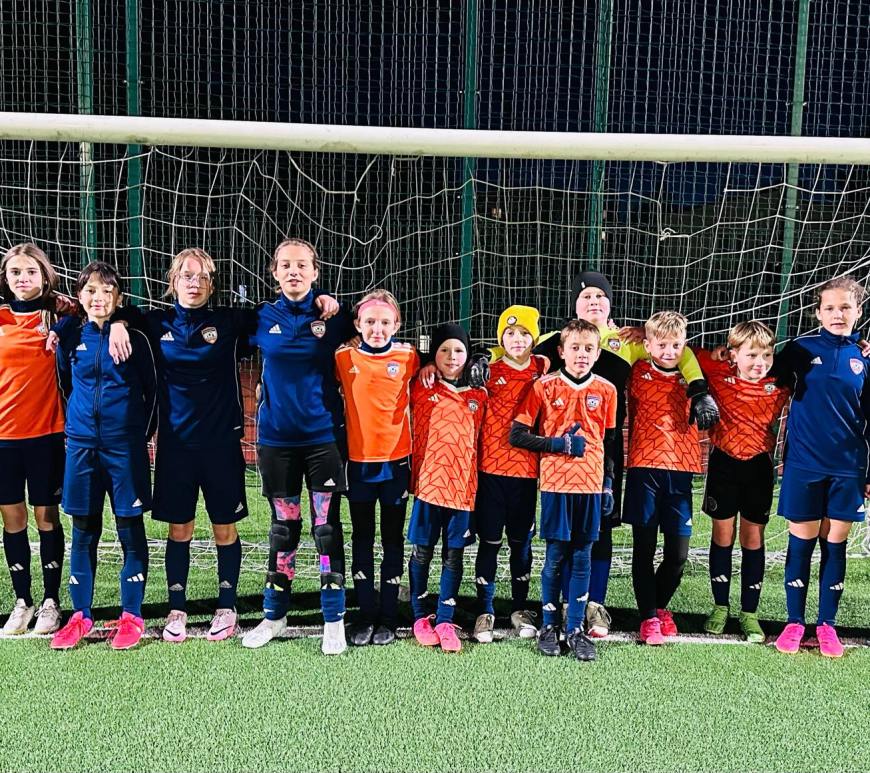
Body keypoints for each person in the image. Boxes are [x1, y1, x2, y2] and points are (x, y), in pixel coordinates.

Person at [534, 270, 717, 638]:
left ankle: (595, 606)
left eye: (600, 296)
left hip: (607, 450)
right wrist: (482, 355)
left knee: (600, 528)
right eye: (586, 297)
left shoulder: (628, 342)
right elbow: (516, 350)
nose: (594, 302)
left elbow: (677, 352)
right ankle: (564, 604)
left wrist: (699, 388)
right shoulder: (557, 339)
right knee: (563, 534)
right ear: (574, 304)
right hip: (560, 454)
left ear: (610, 303)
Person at [111, 249, 258, 643]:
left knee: (224, 527)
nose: (195, 283)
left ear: (212, 284)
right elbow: (118, 312)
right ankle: (177, 609)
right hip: (175, 446)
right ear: (173, 281)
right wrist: (119, 324)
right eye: (187, 276)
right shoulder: (154, 323)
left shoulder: (229, 322)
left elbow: (277, 314)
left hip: (222, 445)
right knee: (180, 529)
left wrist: (323, 305)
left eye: (203, 277)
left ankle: (227, 606)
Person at [242, 238, 356, 655]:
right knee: (282, 529)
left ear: (315, 272)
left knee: (326, 529)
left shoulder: (334, 317)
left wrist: (331, 301)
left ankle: (333, 619)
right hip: (276, 441)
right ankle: (274, 615)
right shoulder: (260, 316)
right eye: (286, 265)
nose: (294, 271)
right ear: (274, 272)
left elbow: (378, 324)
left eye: (302, 265)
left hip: (322, 439)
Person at [50, 262, 157, 650]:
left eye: (107, 291)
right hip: (81, 449)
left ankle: (132, 615)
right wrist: (79, 430)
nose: (99, 298)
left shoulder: (135, 338)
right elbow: (65, 385)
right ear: (80, 297)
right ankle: (80, 615)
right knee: (83, 530)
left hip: (124, 449)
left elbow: (152, 392)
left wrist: (135, 439)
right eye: (91, 291)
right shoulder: (69, 336)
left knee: (129, 528)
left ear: (119, 298)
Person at [773, 276, 870, 658]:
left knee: (835, 545)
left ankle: (827, 624)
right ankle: (795, 622)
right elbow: (759, 373)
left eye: (845, 307)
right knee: (800, 545)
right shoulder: (799, 350)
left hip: (848, 468)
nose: (837, 314)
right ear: (817, 313)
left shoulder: (865, 358)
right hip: (803, 465)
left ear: (858, 311)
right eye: (829, 307)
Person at [510, 319, 617, 662]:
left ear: (597, 354)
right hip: (556, 484)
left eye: (588, 349)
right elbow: (517, 435)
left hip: (591, 486)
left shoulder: (607, 390)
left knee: (583, 556)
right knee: (555, 556)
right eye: (575, 348)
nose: (581, 354)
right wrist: (559, 444)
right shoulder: (543, 386)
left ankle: (575, 629)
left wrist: (608, 483)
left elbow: (609, 442)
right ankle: (549, 626)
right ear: (561, 351)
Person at [695, 322, 790, 642]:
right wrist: (644, 333)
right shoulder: (718, 372)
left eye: (766, 355)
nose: (759, 362)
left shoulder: (780, 381)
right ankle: (720, 606)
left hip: (759, 468)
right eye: (751, 355)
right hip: (724, 464)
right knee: (723, 535)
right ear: (734, 354)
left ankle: (749, 613)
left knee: (752, 538)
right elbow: (686, 353)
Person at [335, 289, 418, 646]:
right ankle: (365, 613)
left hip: (396, 463)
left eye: (385, 322)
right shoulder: (343, 356)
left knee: (393, 538)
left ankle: (389, 616)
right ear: (357, 324)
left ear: (396, 325)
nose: (377, 329)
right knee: (362, 538)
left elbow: (440, 365)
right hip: (358, 465)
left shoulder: (409, 356)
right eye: (369, 321)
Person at [622, 310, 702, 645]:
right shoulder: (636, 369)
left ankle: (657, 606)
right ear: (649, 344)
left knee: (678, 555)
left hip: (681, 472)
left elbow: (727, 358)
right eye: (662, 344)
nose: (669, 351)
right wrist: (636, 334)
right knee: (644, 548)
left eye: (676, 345)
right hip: (644, 469)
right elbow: (607, 348)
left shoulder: (695, 371)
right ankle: (649, 618)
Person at [0, 243, 68, 635]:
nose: (23, 278)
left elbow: (106, 306)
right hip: (4, 440)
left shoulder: (58, 316)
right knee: (13, 519)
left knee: (46, 518)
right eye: (15, 272)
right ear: (5, 279)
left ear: (44, 276)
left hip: (45, 435)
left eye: (30, 271)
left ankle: (50, 602)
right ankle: (22, 601)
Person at [407, 323, 487, 653]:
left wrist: (482, 358)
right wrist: (425, 364)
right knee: (422, 552)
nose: (451, 356)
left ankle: (444, 618)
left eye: (458, 350)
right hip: (428, 486)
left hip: (463, 489)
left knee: (454, 557)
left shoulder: (479, 395)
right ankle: (419, 615)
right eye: (443, 350)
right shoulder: (420, 386)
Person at [472, 305, 549, 643]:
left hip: (526, 473)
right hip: (490, 471)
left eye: (524, 333)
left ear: (535, 337)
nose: (517, 339)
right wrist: (484, 354)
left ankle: (520, 608)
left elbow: (561, 340)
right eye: (510, 333)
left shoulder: (543, 367)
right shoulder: (488, 369)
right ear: (500, 337)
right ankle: (485, 611)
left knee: (521, 544)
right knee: (489, 543)